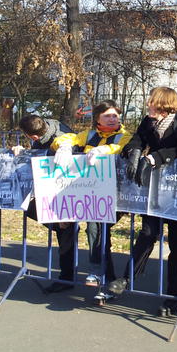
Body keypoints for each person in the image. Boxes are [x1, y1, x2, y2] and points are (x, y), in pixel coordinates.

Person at [106, 87, 177, 315]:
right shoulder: (148, 122)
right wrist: (134, 152)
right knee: (147, 233)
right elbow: (137, 139)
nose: (148, 106)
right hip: (154, 191)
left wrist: (157, 156)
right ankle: (126, 279)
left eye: (152, 103)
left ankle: (174, 298)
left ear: (164, 105)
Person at [52, 100, 132, 304]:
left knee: (96, 230)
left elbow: (120, 147)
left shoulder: (124, 134)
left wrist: (103, 151)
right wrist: (65, 146)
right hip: (89, 193)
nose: (113, 119)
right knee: (98, 232)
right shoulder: (88, 135)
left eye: (115, 115)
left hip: (115, 194)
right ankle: (107, 283)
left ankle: (100, 275)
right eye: (108, 116)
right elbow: (66, 138)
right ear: (97, 118)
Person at [13, 114, 77, 294]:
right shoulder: (48, 128)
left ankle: (67, 277)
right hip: (51, 191)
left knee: (66, 232)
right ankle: (59, 224)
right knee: (28, 208)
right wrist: (22, 151)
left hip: (66, 191)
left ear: (32, 136)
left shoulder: (60, 135)